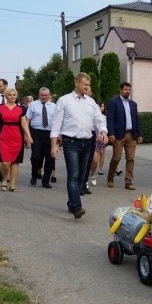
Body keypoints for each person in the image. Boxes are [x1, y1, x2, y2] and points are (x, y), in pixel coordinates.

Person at [50, 72, 107, 219]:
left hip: (87, 142)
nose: (87, 87)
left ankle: (71, 202)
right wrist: (54, 145)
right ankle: (76, 207)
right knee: (74, 175)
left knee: (82, 176)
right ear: (77, 83)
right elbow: (56, 125)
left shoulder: (91, 102)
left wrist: (103, 132)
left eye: (89, 85)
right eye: (85, 84)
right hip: (71, 142)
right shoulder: (64, 101)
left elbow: (99, 120)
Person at [0, 88, 33, 192]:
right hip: (3, 136)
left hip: (17, 137)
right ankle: (4, 179)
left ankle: (12, 185)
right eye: (10, 95)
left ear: (16, 96)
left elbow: (24, 123)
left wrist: (28, 135)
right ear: (6, 96)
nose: (12, 96)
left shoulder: (21, 109)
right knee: (5, 162)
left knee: (15, 162)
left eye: (14, 95)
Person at [106, 82, 144, 190]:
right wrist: (111, 133)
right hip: (118, 135)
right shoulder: (114, 102)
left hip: (131, 135)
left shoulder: (133, 104)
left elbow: (136, 120)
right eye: (126, 89)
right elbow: (110, 119)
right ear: (121, 90)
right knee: (116, 158)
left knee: (130, 158)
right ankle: (110, 177)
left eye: (129, 90)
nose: (128, 91)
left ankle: (128, 181)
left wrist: (140, 134)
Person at [25, 87, 55, 188]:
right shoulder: (33, 105)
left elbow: (57, 121)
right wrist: (27, 135)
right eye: (42, 95)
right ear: (39, 95)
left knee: (50, 158)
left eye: (45, 95)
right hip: (36, 133)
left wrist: (58, 135)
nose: (43, 97)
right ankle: (34, 175)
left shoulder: (54, 106)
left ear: (49, 95)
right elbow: (27, 120)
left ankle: (46, 181)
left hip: (49, 134)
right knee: (36, 156)